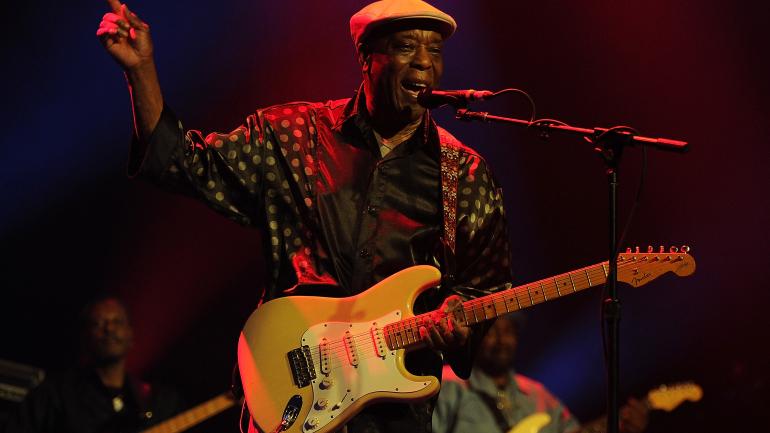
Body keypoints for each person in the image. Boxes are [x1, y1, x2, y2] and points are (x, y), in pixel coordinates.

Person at [97, 0, 513, 432]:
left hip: (394, 412)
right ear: (366, 57)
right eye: (407, 47)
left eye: (436, 51)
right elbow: (184, 163)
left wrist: (459, 321)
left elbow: (486, 287)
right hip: (294, 394)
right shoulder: (294, 135)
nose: (425, 62)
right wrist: (141, 70)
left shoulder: (463, 172)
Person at [432, 315, 649, 433]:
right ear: (474, 338)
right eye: (492, 331)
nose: (502, 340)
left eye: (509, 331)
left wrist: (622, 428)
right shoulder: (448, 383)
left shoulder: (539, 395)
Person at [5, 296, 183, 433]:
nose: (109, 329)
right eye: (98, 323)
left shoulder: (156, 402)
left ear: (131, 335)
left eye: (117, 322)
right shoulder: (56, 394)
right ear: (84, 338)